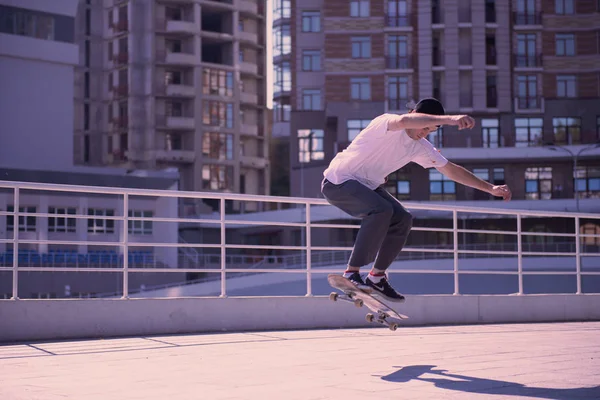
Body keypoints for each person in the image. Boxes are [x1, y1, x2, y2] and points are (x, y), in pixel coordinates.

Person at [321, 98, 512, 302]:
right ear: (414, 115)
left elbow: (449, 169)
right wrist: (451, 119)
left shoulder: (421, 146)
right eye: (424, 127)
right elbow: (404, 121)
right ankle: (351, 273)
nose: (424, 133)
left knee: (403, 218)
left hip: (367, 186)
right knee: (381, 210)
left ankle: (376, 278)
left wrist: (490, 188)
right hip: (339, 181)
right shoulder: (388, 123)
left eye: (430, 130)